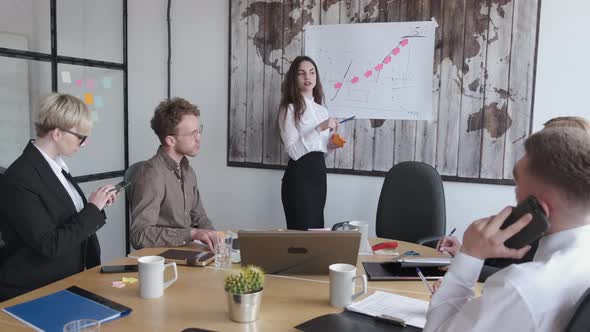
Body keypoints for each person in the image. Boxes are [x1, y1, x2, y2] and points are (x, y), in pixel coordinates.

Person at [424, 127, 590, 331]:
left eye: (517, 185)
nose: (515, 196)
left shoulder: (520, 289)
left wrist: (469, 255)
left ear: (537, 208)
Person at [435, 115, 590, 281]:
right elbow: (502, 259)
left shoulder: (556, 229)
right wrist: (466, 253)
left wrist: (465, 265)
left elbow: (520, 277)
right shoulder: (536, 216)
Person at [0, 94, 118, 301]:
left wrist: (97, 205)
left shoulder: (56, 167)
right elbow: (50, 245)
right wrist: (92, 209)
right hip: (34, 291)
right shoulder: (19, 178)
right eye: (81, 137)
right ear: (57, 134)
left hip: (68, 280)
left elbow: (67, 220)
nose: (84, 144)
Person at [130, 98, 217, 250]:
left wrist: (216, 240)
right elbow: (139, 235)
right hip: (163, 260)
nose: (199, 138)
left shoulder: (188, 171)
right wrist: (191, 234)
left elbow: (200, 218)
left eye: (199, 130)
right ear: (171, 140)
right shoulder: (151, 174)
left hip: (187, 253)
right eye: (192, 133)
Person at [278, 55, 343, 230]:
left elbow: (319, 149)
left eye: (312, 72)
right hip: (299, 177)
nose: (308, 77)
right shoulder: (289, 109)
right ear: (295, 78)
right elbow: (293, 152)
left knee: (317, 231)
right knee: (301, 234)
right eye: (302, 73)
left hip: (319, 175)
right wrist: (319, 128)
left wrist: (331, 146)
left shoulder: (322, 110)